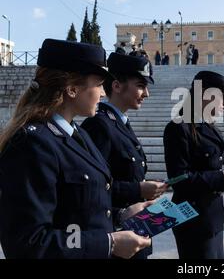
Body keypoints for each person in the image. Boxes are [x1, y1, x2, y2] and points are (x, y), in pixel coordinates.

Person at [0, 39, 152, 259]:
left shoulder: (77, 134)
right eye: (99, 84)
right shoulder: (32, 144)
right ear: (72, 89)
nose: (102, 94)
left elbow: (78, 209)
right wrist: (108, 243)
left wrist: (122, 215)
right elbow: (29, 241)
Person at [81, 53, 167, 258]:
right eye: (140, 85)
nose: (146, 93)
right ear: (117, 86)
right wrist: (138, 189)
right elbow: (93, 187)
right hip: (117, 236)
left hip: (136, 230)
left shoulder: (119, 122)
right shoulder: (99, 125)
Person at [163, 71, 224, 259]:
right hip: (192, 219)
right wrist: (220, 178)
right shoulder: (178, 128)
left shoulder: (210, 128)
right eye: (222, 96)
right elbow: (178, 179)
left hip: (212, 217)